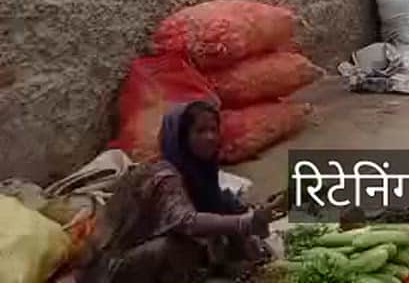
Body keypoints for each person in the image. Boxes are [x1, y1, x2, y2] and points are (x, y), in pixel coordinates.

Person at [75, 101, 270, 283]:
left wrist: (250, 219)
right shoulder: (164, 175)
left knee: (226, 214)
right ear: (181, 137)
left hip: (139, 253)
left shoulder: (200, 171)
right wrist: (245, 223)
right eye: (200, 131)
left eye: (213, 130)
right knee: (182, 245)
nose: (210, 137)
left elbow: (221, 202)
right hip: (107, 269)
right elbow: (187, 222)